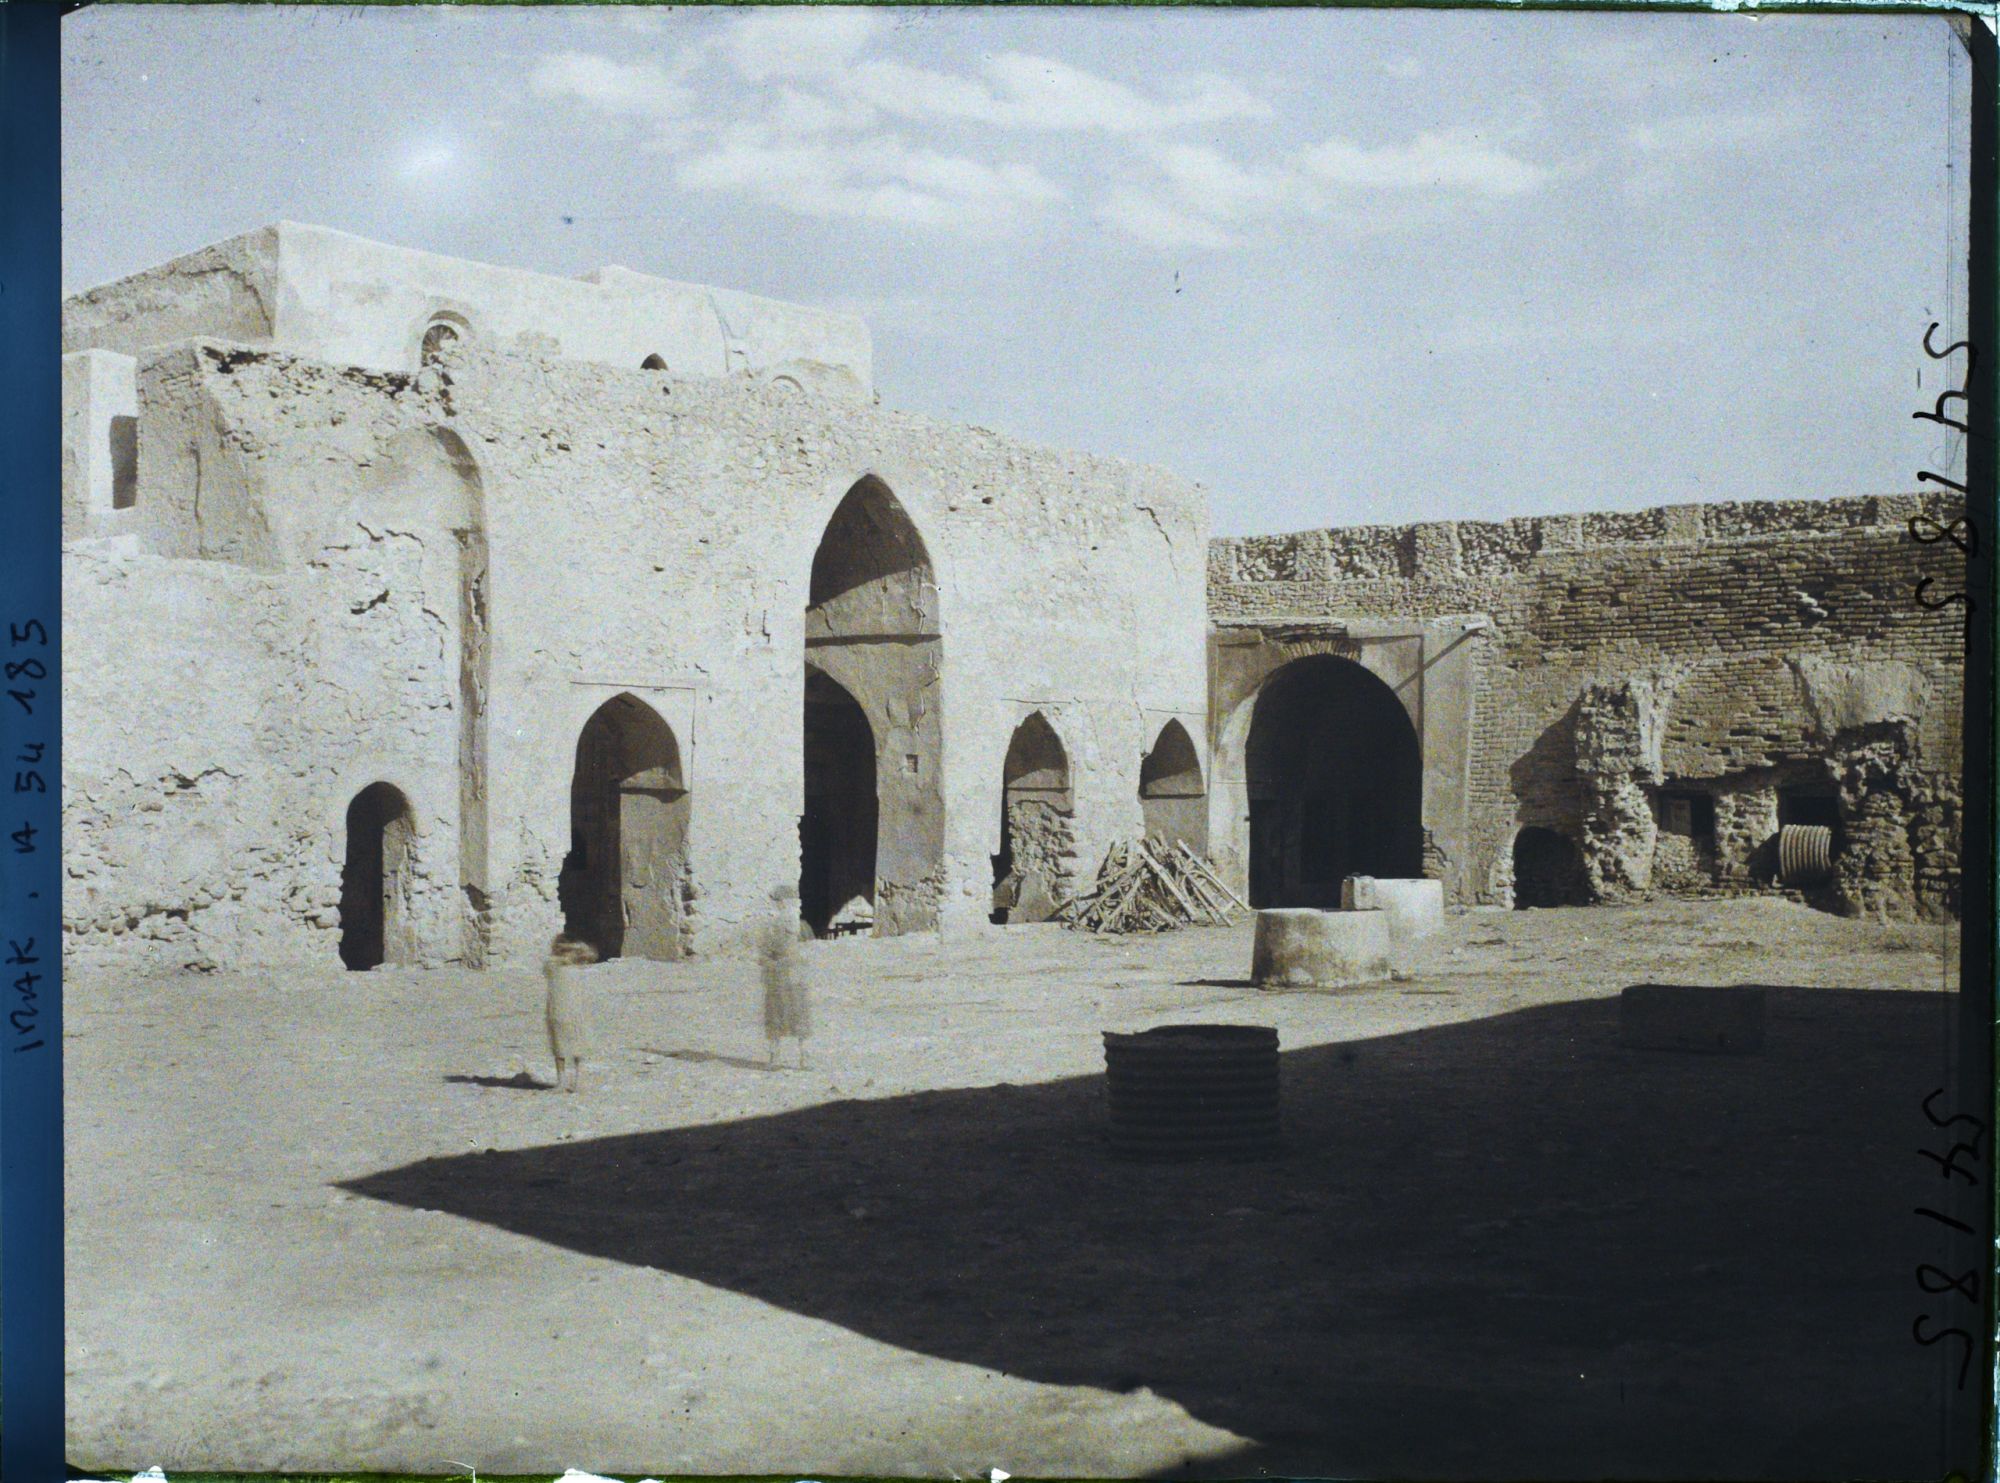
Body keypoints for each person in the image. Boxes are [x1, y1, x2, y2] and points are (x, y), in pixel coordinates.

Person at [759, 882, 812, 1070]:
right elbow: (765, 955)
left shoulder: (796, 926)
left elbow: (808, 952)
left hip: (791, 978)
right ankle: (778, 1058)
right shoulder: (775, 927)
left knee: (795, 1017)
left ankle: (802, 1058)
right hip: (783, 979)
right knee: (781, 1018)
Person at [543, 933, 599, 1092]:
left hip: (559, 1012)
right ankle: (576, 1081)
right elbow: (590, 954)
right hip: (573, 1012)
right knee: (574, 1048)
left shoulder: (554, 967)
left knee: (561, 1049)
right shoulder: (575, 968)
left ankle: (563, 1081)